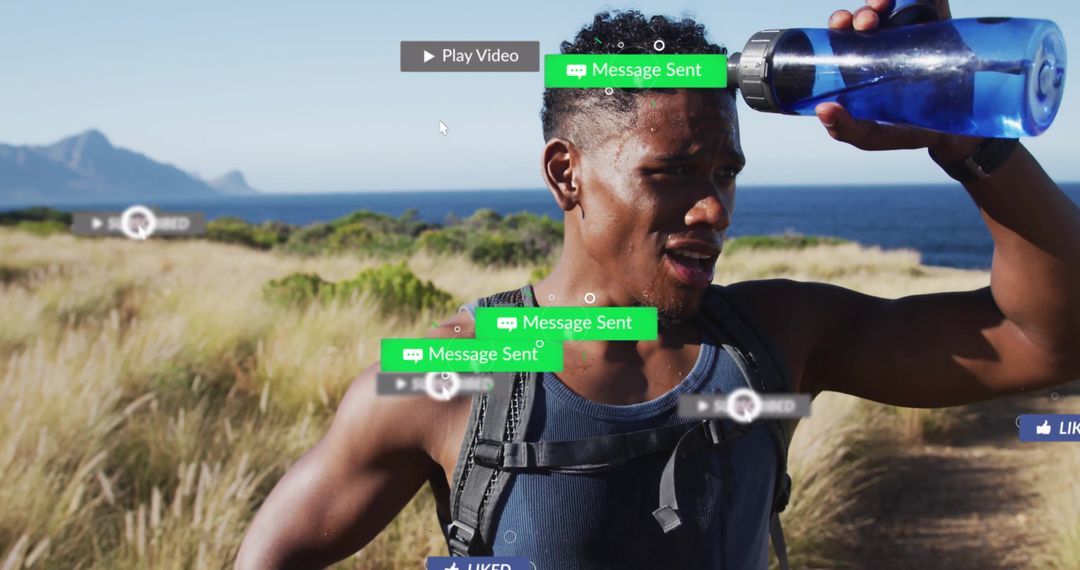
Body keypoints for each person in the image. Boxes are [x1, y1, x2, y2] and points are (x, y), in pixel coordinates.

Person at [236, 2, 1080, 568]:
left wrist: (963, 133)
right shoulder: (460, 369)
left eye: (726, 168)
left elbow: (1047, 342)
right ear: (566, 173)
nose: (714, 207)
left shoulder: (769, 336)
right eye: (672, 172)